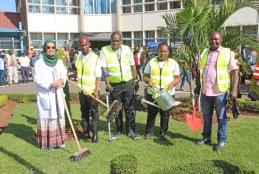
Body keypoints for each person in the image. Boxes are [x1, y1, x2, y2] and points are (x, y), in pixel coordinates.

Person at [194, 31, 238, 151]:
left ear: (221, 39)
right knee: (207, 116)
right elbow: (199, 71)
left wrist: (234, 90)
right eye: (211, 39)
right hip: (205, 91)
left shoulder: (227, 53)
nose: (213, 41)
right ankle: (206, 137)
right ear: (209, 40)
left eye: (216, 39)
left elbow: (235, 72)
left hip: (220, 92)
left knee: (221, 117)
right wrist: (198, 86)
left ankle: (221, 140)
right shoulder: (204, 52)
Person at [100, 31, 140, 140]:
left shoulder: (127, 49)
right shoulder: (104, 50)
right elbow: (104, 68)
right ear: (111, 41)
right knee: (116, 108)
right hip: (114, 84)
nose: (115, 42)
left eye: (117, 41)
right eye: (113, 40)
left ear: (120, 41)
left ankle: (131, 131)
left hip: (128, 83)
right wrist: (107, 84)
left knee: (129, 108)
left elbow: (133, 66)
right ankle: (118, 130)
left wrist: (135, 80)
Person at [143, 42, 181, 141]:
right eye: (160, 51)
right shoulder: (151, 62)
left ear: (168, 52)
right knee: (151, 114)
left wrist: (172, 84)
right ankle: (148, 132)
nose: (162, 53)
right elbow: (145, 76)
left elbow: (178, 77)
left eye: (165, 51)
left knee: (165, 114)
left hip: (167, 94)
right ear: (158, 51)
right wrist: (149, 81)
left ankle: (163, 133)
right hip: (153, 93)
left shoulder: (173, 63)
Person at [34, 40, 67, 150]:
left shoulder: (59, 62)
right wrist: (51, 84)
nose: (51, 49)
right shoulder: (39, 63)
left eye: (53, 47)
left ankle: (60, 141)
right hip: (47, 94)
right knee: (49, 117)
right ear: (45, 48)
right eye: (48, 47)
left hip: (58, 94)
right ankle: (49, 143)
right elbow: (37, 79)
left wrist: (62, 80)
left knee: (58, 116)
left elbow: (64, 74)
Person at [68, 35, 102, 143]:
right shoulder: (78, 57)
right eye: (81, 45)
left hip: (92, 92)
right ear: (79, 46)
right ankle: (86, 133)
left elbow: (98, 77)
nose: (83, 47)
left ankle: (95, 136)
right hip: (81, 91)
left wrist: (96, 92)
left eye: (85, 45)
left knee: (94, 113)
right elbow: (78, 73)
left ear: (89, 44)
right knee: (84, 113)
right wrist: (68, 76)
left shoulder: (95, 58)